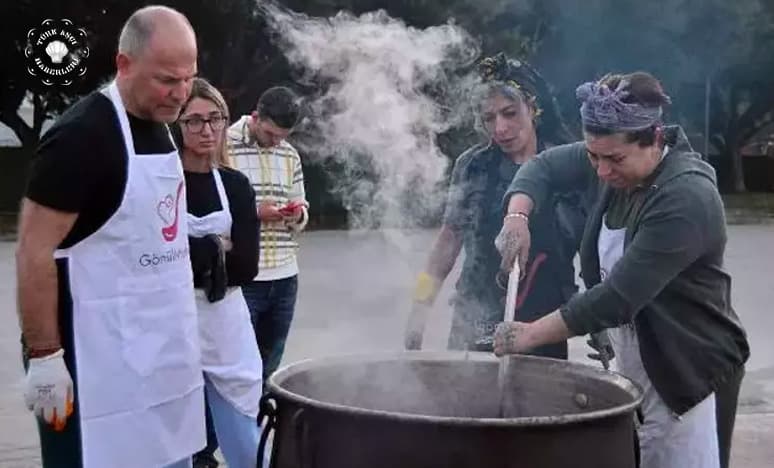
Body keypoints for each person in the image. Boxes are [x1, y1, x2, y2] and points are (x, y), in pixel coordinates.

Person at [493, 71, 750, 468]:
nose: (601, 172)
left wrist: (528, 335)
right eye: (593, 156)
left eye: (614, 159)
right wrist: (517, 217)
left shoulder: (686, 197)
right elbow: (542, 168)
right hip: (641, 362)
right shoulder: (611, 158)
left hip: (690, 371)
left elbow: (618, 298)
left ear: (656, 139)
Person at [16, 6, 205, 468]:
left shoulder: (161, 127)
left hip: (159, 357)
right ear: (124, 64)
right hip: (91, 362)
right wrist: (44, 357)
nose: (180, 95)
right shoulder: (81, 136)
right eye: (166, 80)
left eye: (188, 79)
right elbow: (33, 251)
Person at [403, 52, 586, 358]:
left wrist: (599, 320)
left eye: (510, 113)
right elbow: (447, 243)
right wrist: (420, 305)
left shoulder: (565, 165)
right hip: (474, 316)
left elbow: (589, 243)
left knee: (538, 403)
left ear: (534, 108)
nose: (500, 128)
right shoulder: (473, 166)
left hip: (543, 321)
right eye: (489, 118)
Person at [173, 78, 263, 468]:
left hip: (224, 317)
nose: (206, 130)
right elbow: (149, 259)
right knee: (170, 426)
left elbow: (247, 266)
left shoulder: (236, 185)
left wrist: (186, 252)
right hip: (170, 318)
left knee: (242, 423)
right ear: (176, 125)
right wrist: (215, 246)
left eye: (214, 118)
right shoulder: (161, 181)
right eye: (193, 121)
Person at [227, 86, 308, 388]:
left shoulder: (289, 154)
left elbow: (302, 206)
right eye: (271, 134)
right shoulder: (223, 145)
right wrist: (255, 213)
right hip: (245, 278)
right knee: (237, 368)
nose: (277, 142)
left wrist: (297, 215)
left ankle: (260, 430)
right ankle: (233, 433)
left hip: (286, 276)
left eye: (283, 136)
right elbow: (212, 209)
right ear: (256, 117)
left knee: (269, 370)